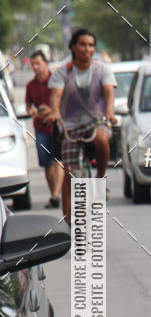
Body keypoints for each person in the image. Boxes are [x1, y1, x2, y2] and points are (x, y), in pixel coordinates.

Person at [46, 28, 117, 223]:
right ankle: (69, 222)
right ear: (74, 47)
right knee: (69, 174)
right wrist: (55, 112)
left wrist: (109, 112)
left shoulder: (101, 69)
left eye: (91, 45)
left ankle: (100, 179)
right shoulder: (63, 72)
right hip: (70, 127)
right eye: (83, 44)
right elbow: (55, 95)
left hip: (97, 122)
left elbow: (109, 92)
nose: (87, 49)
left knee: (102, 138)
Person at [25, 50, 63, 208]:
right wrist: (31, 111)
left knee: (58, 160)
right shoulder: (30, 85)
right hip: (40, 128)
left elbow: (64, 100)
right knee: (46, 163)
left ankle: (56, 194)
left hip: (56, 126)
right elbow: (28, 105)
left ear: (46, 64)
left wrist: (54, 111)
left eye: (38, 63)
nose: (35, 67)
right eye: (33, 64)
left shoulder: (56, 81)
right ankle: (53, 193)